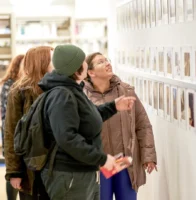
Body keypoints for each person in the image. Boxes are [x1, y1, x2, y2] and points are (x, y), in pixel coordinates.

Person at [38, 44, 135, 200]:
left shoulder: (72, 89)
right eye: (83, 61)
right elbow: (67, 138)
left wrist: (113, 107)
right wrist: (102, 158)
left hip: (80, 173)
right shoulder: (62, 95)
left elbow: (87, 118)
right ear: (76, 68)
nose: (85, 63)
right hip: (70, 176)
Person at [84, 52, 157, 200]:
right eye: (100, 62)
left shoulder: (125, 91)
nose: (107, 63)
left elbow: (142, 124)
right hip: (99, 164)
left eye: (107, 60)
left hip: (124, 161)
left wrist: (148, 156)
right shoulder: (82, 96)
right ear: (90, 72)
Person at [4, 46, 54, 200]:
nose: (57, 62)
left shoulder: (58, 87)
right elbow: (11, 132)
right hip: (30, 167)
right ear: (41, 62)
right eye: (53, 59)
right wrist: (14, 172)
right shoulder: (19, 91)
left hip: (56, 165)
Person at [0, 54, 24, 200]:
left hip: (15, 130)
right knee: (13, 168)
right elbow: (8, 112)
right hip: (11, 131)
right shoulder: (9, 84)